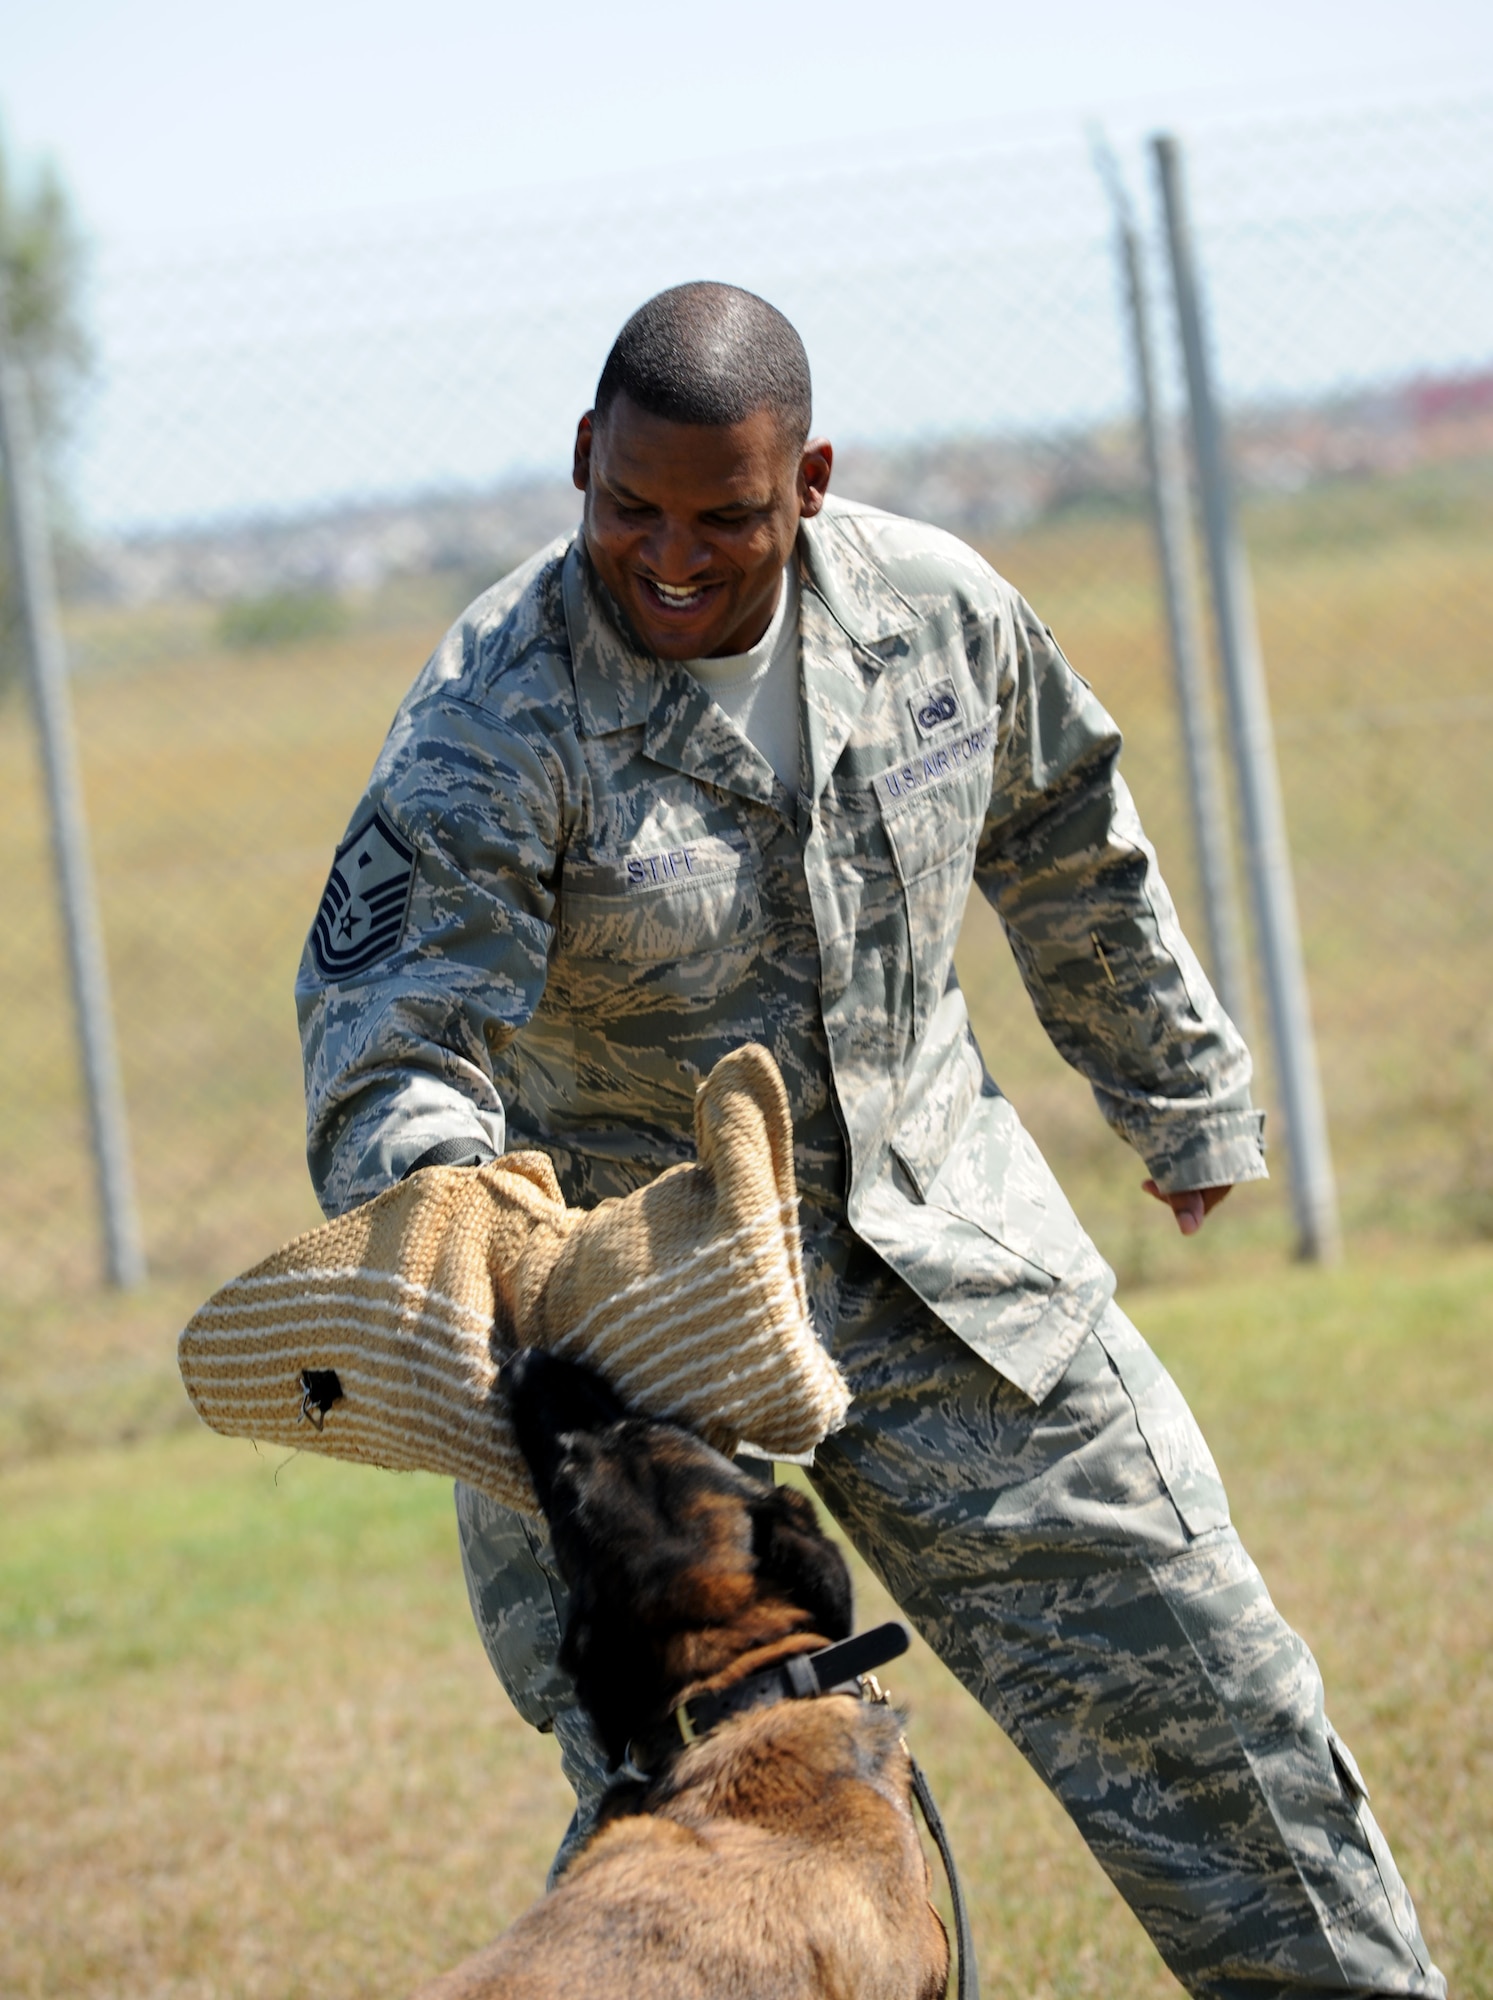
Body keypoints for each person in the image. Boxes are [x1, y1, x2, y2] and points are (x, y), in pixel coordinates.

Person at [297, 282, 1442, 1997]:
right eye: (630, 509)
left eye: (726, 517)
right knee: (691, 1846)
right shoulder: (488, 717)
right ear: (581, 464)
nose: (670, 556)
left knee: (1216, 1716)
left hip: (953, 1277)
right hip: (641, 1349)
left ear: (809, 478)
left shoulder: (938, 612)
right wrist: (464, 1221)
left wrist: (1173, 1082)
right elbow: (389, 1039)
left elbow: (1063, 831)